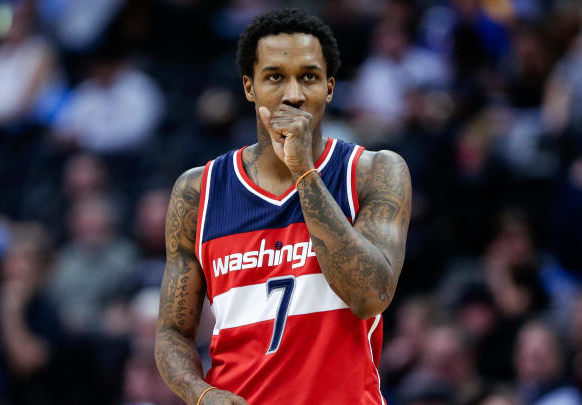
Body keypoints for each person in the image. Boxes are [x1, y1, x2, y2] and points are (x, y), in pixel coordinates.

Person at [155, 8, 411, 405]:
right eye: (275, 77)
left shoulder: (373, 172)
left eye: (308, 77)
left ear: (329, 87)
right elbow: (172, 332)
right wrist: (201, 394)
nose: (293, 94)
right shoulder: (197, 192)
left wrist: (303, 172)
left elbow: (370, 295)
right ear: (248, 87)